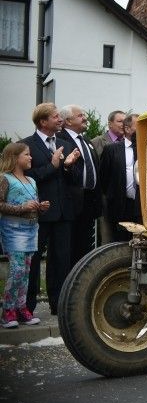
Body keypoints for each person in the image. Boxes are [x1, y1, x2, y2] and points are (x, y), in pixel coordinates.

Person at [22, 103, 81, 315]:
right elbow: (27, 179)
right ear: (42, 122)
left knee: (61, 260)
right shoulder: (26, 145)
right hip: (39, 212)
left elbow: (74, 181)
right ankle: (27, 305)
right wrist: (53, 166)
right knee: (33, 260)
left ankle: (59, 304)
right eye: (55, 117)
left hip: (64, 212)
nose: (60, 120)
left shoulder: (65, 143)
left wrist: (68, 165)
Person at [0, 142, 47, 328]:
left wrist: (40, 207)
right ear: (15, 157)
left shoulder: (32, 180)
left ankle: (22, 309)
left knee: (27, 272)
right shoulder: (4, 178)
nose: (31, 158)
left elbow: (32, 204)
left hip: (30, 229)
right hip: (12, 229)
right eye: (27, 154)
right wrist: (21, 208)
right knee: (17, 270)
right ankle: (8, 311)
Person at [59, 104, 102, 264]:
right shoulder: (60, 139)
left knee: (85, 249)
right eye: (80, 115)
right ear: (68, 121)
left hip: (89, 201)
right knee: (69, 248)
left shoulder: (86, 141)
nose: (85, 118)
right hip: (71, 203)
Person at [99, 113, 141, 243]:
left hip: (141, 206)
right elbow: (103, 178)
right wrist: (113, 196)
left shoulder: (146, 148)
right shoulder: (111, 150)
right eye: (138, 125)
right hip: (120, 206)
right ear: (127, 129)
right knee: (121, 243)